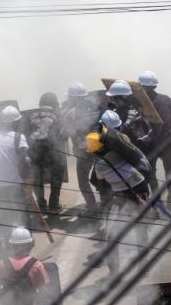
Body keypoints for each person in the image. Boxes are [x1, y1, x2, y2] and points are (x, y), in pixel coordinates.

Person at [86, 110, 151, 276]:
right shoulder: (120, 146)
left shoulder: (100, 164)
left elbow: (100, 181)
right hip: (141, 189)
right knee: (141, 231)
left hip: (124, 196)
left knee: (111, 236)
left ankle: (114, 273)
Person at [139, 70, 171, 205]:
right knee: (165, 171)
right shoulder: (164, 100)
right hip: (165, 142)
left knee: (155, 172)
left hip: (158, 142)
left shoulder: (145, 102)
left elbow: (166, 123)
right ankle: (167, 197)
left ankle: (161, 198)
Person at [0, 105, 31, 236]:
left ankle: (6, 240)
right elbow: (23, 161)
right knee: (20, 214)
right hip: (14, 183)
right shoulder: (19, 137)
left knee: (4, 215)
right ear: (15, 122)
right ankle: (21, 239)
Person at [61, 81, 101, 215]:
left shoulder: (70, 111)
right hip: (99, 147)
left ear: (73, 97)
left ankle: (92, 208)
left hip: (83, 149)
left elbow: (66, 130)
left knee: (83, 180)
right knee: (102, 177)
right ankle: (106, 204)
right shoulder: (95, 105)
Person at [27, 92, 68, 214]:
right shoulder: (57, 115)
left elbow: (26, 132)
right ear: (53, 103)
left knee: (37, 178)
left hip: (35, 151)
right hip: (53, 151)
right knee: (57, 176)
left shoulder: (30, 114)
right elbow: (63, 134)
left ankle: (41, 204)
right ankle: (54, 204)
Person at [0, 226, 50, 305]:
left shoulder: (1, 264)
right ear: (29, 245)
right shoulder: (36, 265)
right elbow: (43, 291)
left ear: (12, 245)